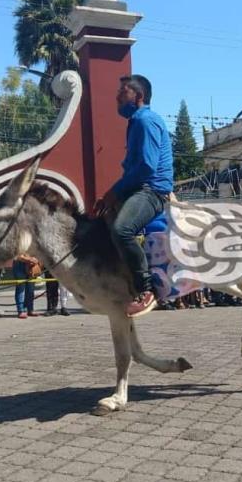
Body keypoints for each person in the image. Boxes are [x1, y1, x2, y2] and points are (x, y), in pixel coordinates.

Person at [94, 74, 173, 318]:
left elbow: (146, 167)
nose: (117, 96)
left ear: (138, 96)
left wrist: (114, 192)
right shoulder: (136, 122)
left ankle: (146, 290)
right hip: (138, 189)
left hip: (152, 191)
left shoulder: (145, 121)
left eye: (123, 91)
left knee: (122, 230)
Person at [13, 254, 40, 318]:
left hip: (32, 265)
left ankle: (30, 310)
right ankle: (21, 311)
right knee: (21, 289)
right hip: (19, 265)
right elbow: (17, 256)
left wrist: (36, 259)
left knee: (31, 289)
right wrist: (30, 259)